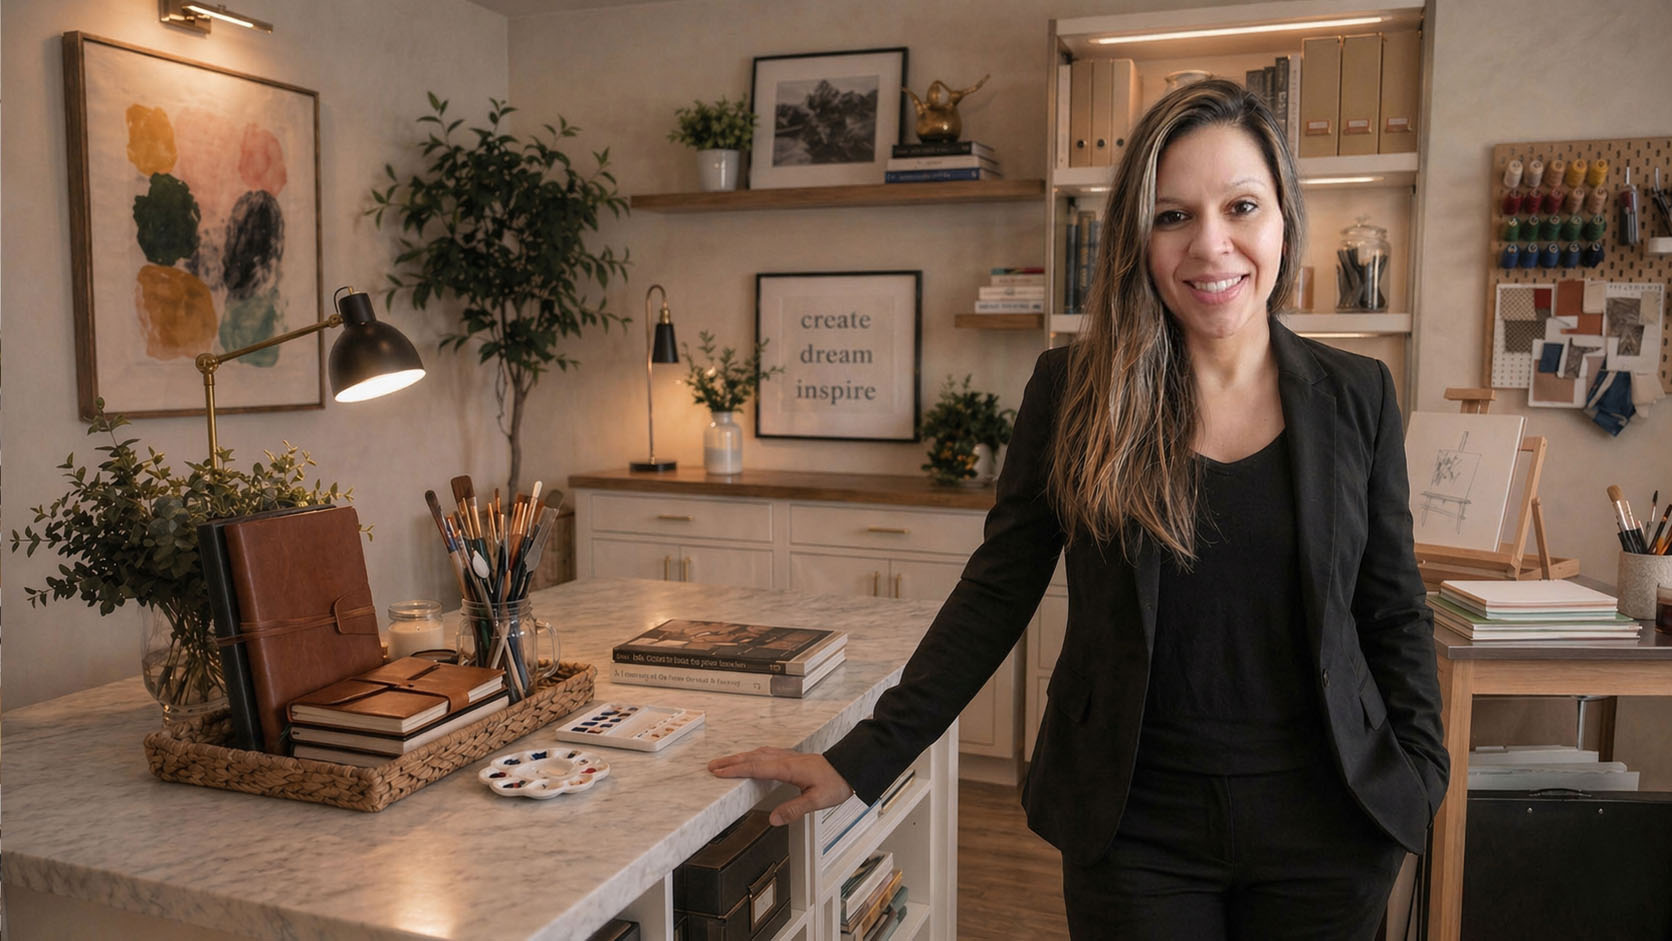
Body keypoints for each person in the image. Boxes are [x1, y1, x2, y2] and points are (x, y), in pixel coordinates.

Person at [709, 78, 1448, 940]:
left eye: (1242, 206)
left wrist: (1422, 775)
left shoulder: (1358, 394)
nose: (1211, 245)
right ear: (1138, 238)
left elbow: (1392, 607)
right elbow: (997, 592)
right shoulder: (1074, 392)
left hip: (1328, 825)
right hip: (1134, 827)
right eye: (1173, 216)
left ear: (1285, 217)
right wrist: (867, 756)